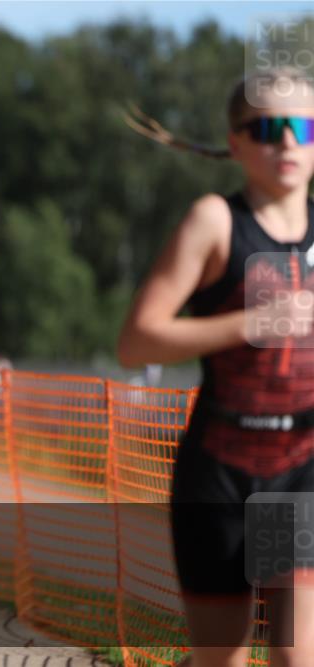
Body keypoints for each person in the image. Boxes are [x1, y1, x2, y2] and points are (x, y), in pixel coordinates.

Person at [118, 68, 314, 667]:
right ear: (235, 142)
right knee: (220, 659)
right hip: (220, 472)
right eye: (266, 128)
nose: (286, 143)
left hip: (301, 471)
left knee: (295, 656)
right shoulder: (214, 221)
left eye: (301, 127)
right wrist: (249, 324)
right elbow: (136, 342)